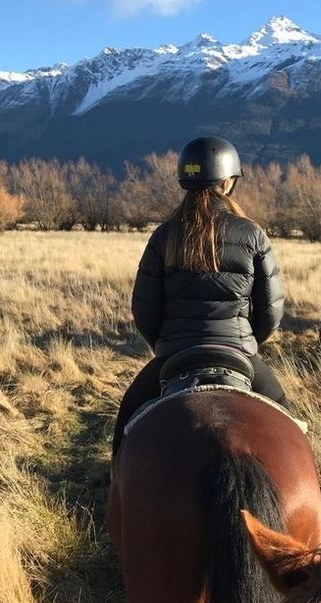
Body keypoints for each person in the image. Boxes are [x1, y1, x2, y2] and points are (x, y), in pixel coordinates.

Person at [112, 136, 286, 457]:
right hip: (238, 352)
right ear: (228, 181)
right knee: (292, 430)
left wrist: (165, 345)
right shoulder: (252, 234)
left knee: (125, 427)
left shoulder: (164, 235)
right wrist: (247, 343)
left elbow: (144, 310)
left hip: (174, 355)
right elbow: (271, 312)